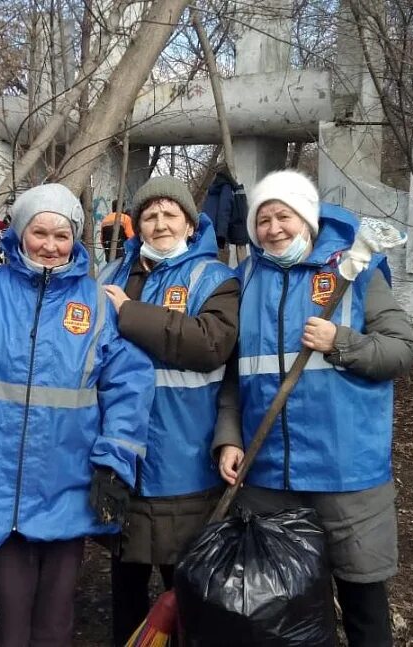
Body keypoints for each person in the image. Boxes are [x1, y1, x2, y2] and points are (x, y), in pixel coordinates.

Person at [0, 183, 154, 647]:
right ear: (19, 233)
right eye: (40, 233)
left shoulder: (94, 304)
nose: (50, 245)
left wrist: (114, 462)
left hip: (67, 482)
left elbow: (129, 384)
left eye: (62, 235)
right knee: (6, 615)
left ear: (75, 241)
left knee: (56, 617)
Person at [214, 170, 413, 647]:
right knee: (283, 610)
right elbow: (231, 377)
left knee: (363, 602)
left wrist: (340, 342)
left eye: (283, 215)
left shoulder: (356, 273)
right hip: (269, 479)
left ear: (307, 218)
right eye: (262, 220)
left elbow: (401, 350)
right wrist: (229, 436)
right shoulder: (242, 282)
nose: (273, 229)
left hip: (346, 474)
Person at [100, 175, 240, 646]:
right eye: (150, 216)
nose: (160, 223)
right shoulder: (110, 276)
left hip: (183, 457)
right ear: (138, 225)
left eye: (170, 214)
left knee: (182, 586)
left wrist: (130, 315)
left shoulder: (214, 278)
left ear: (189, 222)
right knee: (124, 581)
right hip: (121, 455)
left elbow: (210, 344)